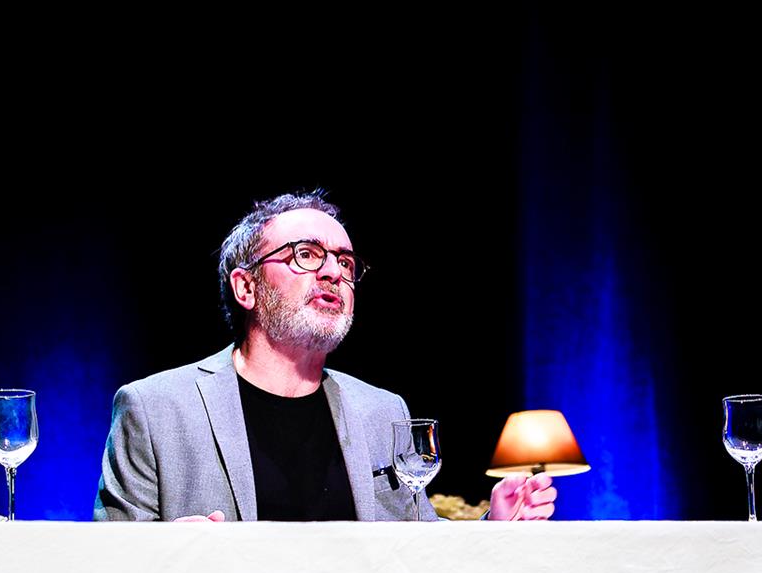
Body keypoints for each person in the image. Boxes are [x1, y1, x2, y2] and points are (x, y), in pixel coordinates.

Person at [96, 191, 556, 523]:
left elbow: (418, 557)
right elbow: (112, 571)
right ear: (246, 287)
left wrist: (495, 526)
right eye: (306, 255)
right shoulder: (155, 409)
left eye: (346, 262)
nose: (334, 272)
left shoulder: (383, 412)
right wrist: (167, 556)